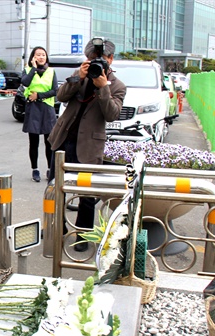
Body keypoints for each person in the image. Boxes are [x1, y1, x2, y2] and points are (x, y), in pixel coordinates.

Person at [47, 38, 126, 252]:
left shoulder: (117, 86)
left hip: (89, 145)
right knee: (55, 188)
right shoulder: (78, 74)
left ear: (110, 59)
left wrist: (103, 88)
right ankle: (58, 229)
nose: (95, 62)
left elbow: (112, 114)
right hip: (63, 139)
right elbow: (61, 96)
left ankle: (82, 236)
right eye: (91, 59)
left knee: (87, 195)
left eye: (101, 59)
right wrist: (77, 78)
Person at [21, 46, 58, 182]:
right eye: (38, 55)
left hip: (47, 109)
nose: (41, 57)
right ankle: (35, 170)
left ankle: (50, 169)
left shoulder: (51, 71)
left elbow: (55, 90)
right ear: (33, 57)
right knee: (34, 142)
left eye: (43, 55)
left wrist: (39, 95)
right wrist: (34, 69)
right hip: (33, 109)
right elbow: (25, 82)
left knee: (49, 142)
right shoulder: (28, 70)